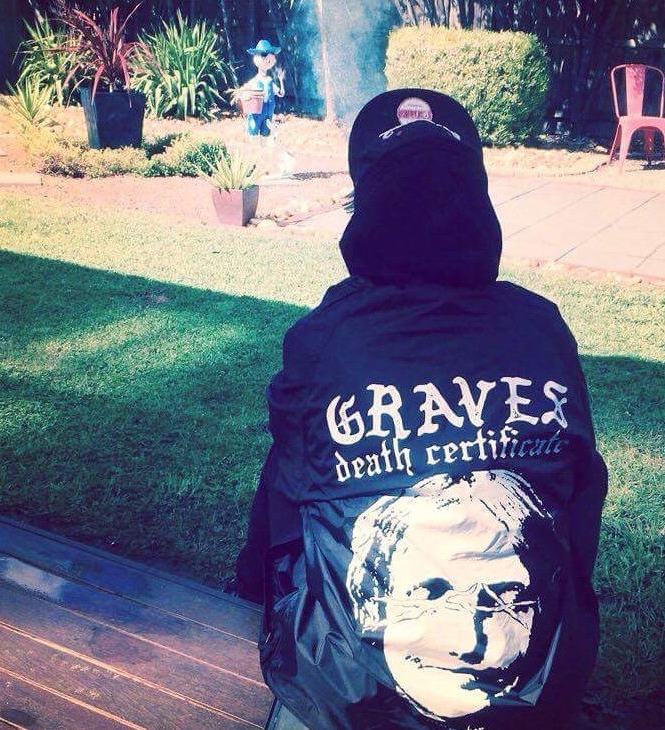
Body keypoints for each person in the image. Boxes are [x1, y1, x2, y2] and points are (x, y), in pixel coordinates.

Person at [235, 89, 608, 730]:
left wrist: (253, 586)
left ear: (366, 206)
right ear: (479, 202)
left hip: (349, 695)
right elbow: (582, 500)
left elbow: (284, 503)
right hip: (534, 695)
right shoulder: (542, 329)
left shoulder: (326, 338)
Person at [240, 39, 286, 138]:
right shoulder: (255, 81)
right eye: (263, 56)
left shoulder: (270, 82)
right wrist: (246, 97)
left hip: (268, 113)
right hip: (256, 113)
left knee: (265, 135)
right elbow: (244, 94)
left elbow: (281, 93)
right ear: (256, 59)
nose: (267, 60)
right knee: (253, 134)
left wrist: (281, 80)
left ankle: (263, 147)